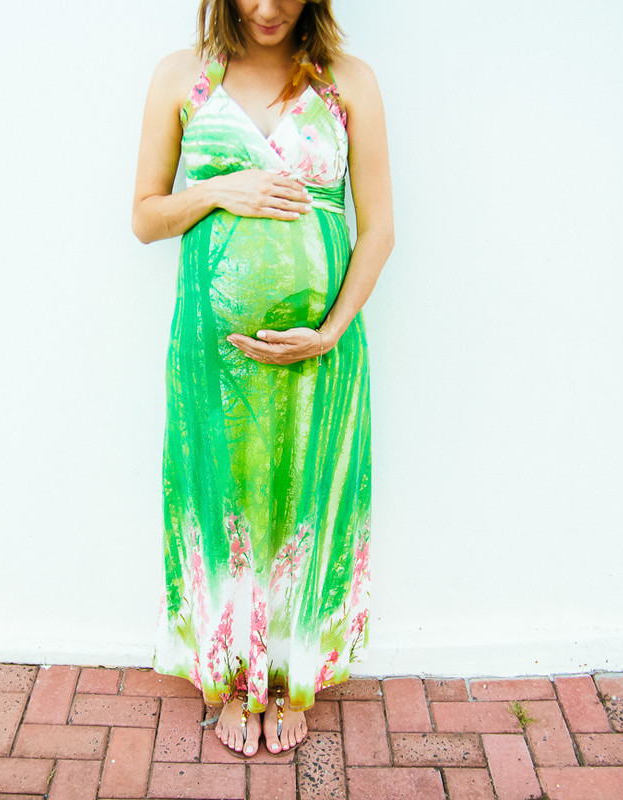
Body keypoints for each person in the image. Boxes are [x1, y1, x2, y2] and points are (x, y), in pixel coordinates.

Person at [132, 0, 393, 758]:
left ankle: (286, 678)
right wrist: (220, 190)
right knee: (228, 505)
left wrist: (331, 330)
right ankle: (234, 681)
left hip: (320, 354)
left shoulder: (349, 83)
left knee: (300, 503)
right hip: (214, 360)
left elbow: (378, 226)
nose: (268, 8)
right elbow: (146, 216)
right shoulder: (183, 78)